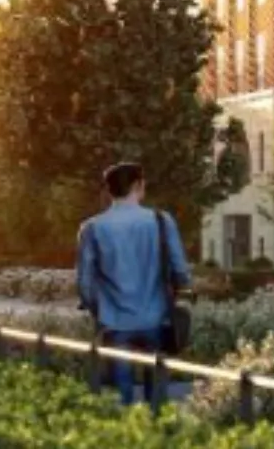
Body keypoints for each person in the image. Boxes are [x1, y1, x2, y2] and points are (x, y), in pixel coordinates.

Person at [75, 161, 189, 406]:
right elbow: (181, 271)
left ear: (109, 190)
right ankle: (157, 426)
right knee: (157, 398)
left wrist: (99, 310)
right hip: (156, 318)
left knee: (119, 398)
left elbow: (84, 283)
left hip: (114, 320)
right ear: (138, 185)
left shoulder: (91, 228)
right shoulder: (161, 221)